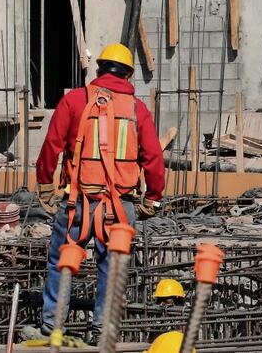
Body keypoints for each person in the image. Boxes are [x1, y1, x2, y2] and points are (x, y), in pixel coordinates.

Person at [36, 43, 166, 342]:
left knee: (62, 261)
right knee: (113, 268)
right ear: (129, 75)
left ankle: (53, 327)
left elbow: (51, 146)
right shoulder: (137, 109)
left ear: (99, 70)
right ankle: (101, 329)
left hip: (77, 203)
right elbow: (154, 158)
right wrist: (153, 197)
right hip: (119, 207)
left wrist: (45, 184)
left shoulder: (75, 101)